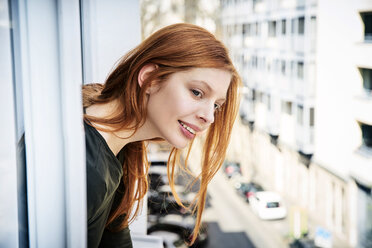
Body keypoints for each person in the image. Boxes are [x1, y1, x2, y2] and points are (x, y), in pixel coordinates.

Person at [82, 23, 241, 247]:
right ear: (150, 79)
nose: (209, 117)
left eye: (216, 105)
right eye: (197, 93)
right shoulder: (88, 165)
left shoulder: (121, 146)